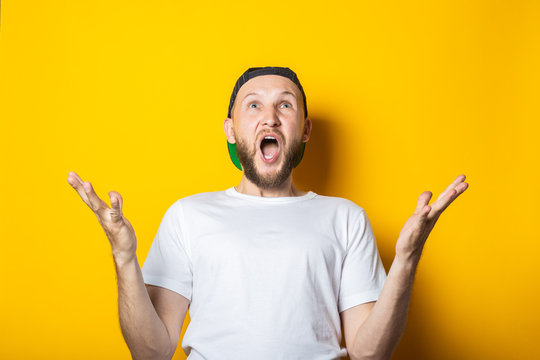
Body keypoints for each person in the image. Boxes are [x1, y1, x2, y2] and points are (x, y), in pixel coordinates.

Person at [67, 66, 469, 360]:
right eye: (253, 105)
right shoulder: (188, 216)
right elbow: (151, 353)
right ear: (231, 130)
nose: (270, 116)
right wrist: (123, 256)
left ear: (305, 129)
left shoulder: (345, 218)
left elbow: (369, 353)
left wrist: (407, 260)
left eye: (285, 105)